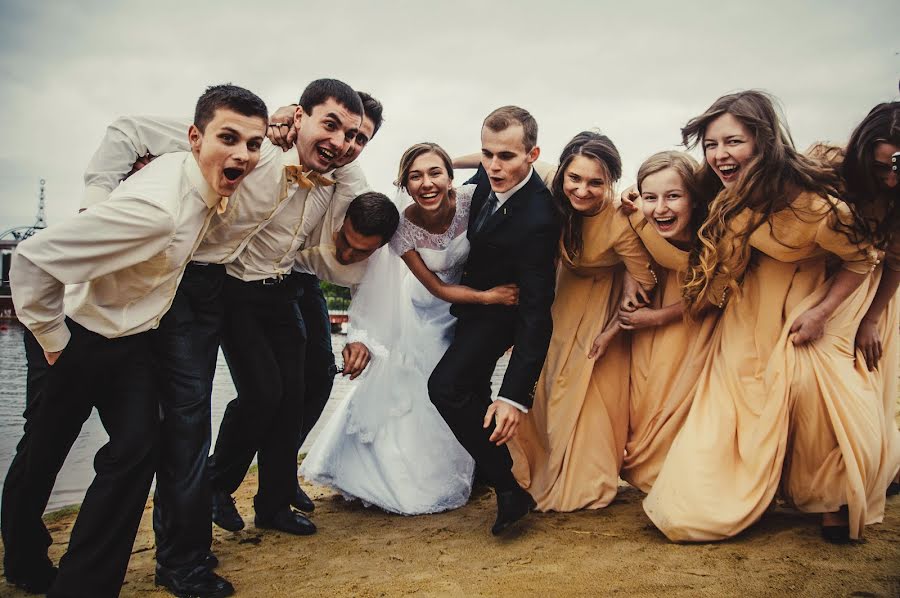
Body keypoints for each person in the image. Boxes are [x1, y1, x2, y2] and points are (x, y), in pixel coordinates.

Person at [74, 79, 367, 596]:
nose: (341, 141)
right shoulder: (251, 145)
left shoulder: (330, 172)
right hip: (160, 284)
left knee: (195, 420)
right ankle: (172, 557)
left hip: (212, 291)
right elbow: (130, 130)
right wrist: (95, 205)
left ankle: (186, 553)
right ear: (297, 117)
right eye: (330, 124)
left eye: (350, 134)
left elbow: (346, 199)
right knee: (166, 429)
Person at [1, 84, 267, 597]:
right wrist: (55, 341)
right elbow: (33, 260)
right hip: (72, 333)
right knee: (44, 452)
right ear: (194, 137)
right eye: (228, 138)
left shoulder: (205, 186)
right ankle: (24, 555)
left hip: (131, 341)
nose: (242, 154)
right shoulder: (157, 211)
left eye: (252, 144)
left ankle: (83, 585)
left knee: (135, 451)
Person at [644, 90, 883, 544]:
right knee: (738, 387)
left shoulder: (820, 208)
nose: (719, 155)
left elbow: (862, 259)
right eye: (711, 144)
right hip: (752, 296)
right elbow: (691, 232)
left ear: (763, 140)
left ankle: (831, 498)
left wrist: (822, 313)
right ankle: (720, 490)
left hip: (817, 293)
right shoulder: (727, 194)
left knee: (807, 382)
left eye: (732, 141)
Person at [301, 143, 519, 514]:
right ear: (404, 183)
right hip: (425, 306)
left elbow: (494, 160)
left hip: (462, 313)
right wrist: (490, 297)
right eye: (415, 176)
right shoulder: (402, 227)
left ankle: (483, 463)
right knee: (419, 387)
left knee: (463, 384)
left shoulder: (473, 199)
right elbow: (437, 287)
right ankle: (394, 472)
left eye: (435, 172)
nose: (426, 183)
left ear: (450, 176)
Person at [427, 106, 560, 535]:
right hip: (468, 303)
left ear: (532, 155)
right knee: (469, 391)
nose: (494, 166)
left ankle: (508, 487)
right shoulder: (485, 175)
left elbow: (538, 315)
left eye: (507, 157)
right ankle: (492, 474)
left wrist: (516, 396)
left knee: (445, 388)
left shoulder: (540, 218)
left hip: (502, 313)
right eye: (487, 154)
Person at [508, 131, 656, 511]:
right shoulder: (551, 193)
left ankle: (584, 479)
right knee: (544, 388)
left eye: (596, 182)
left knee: (586, 399)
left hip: (599, 313)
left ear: (610, 182)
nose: (583, 190)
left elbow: (644, 279)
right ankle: (537, 468)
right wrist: (447, 160)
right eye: (575, 179)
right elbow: (502, 156)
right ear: (563, 174)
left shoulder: (621, 223)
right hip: (558, 302)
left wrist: (611, 331)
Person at [616, 151, 719, 492]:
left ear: (694, 197)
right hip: (657, 304)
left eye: (673, 196)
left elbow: (715, 295)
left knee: (686, 391)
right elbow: (631, 249)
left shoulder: (714, 234)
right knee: (646, 389)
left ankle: (683, 474)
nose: (661, 208)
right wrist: (633, 279)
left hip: (698, 316)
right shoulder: (639, 218)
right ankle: (648, 474)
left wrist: (655, 318)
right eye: (651, 197)